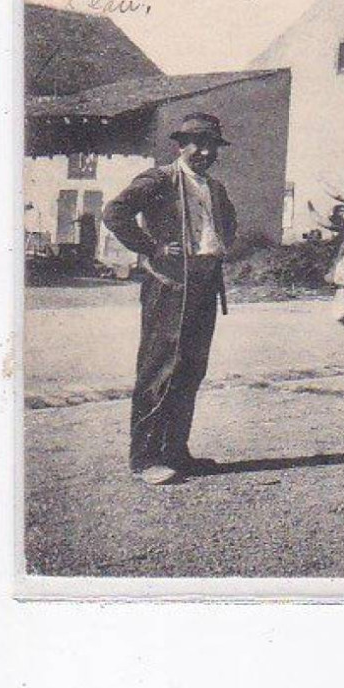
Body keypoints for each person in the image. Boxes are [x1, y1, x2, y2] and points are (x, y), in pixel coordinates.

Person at [103, 113, 237, 485]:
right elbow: (114, 213)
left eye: (212, 146)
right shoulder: (159, 179)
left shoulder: (214, 188)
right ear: (181, 145)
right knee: (159, 371)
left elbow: (229, 223)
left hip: (204, 288)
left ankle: (176, 452)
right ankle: (145, 460)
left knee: (190, 371)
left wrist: (216, 247)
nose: (206, 152)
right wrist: (153, 247)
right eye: (199, 144)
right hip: (168, 290)